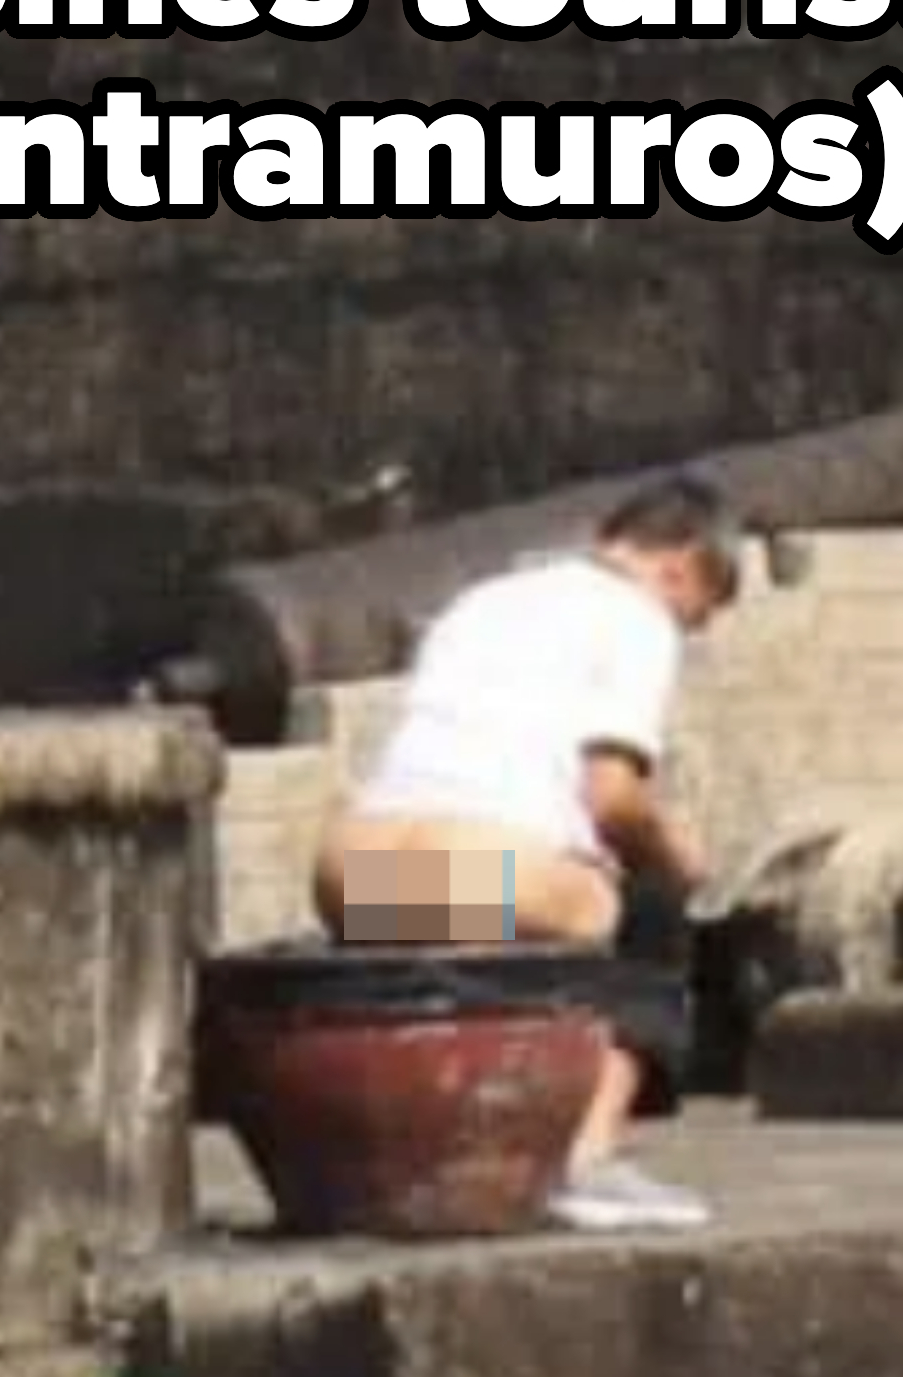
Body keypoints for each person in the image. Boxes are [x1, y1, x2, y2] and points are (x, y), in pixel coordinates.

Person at [310, 472, 744, 1232]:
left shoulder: (483, 602)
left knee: (511, 911)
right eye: (698, 611)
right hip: (481, 866)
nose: (690, 629)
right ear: (681, 564)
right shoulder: (636, 618)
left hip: (355, 868)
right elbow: (609, 797)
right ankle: (586, 1159)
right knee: (649, 893)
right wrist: (673, 849)